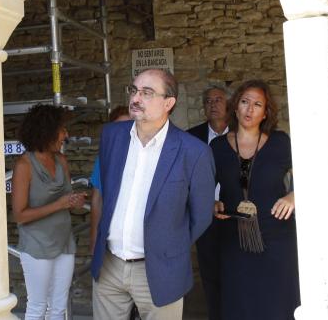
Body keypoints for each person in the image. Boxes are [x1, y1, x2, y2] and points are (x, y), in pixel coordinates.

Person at [91, 69, 215, 319]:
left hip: (160, 269)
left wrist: (168, 247)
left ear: (169, 102)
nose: (136, 98)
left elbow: (201, 216)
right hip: (110, 266)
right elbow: (106, 193)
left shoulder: (194, 151)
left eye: (147, 93)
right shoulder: (112, 136)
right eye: (134, 90)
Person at [211, 80, 299, 319]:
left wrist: (294, 196)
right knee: (239, 301)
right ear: (235, 107)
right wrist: (212, 202)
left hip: (276, 236)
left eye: (257, 104)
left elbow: (311, 174)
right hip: (233, 236)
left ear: (265, 112)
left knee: (277, 301)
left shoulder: (281, 142)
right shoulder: (218, 146)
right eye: (244, 102)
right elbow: (203, 185)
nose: (249, 109)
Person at [12, 104, 86, 320]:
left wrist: (76, 201)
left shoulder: (61, 160)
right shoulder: (24, 165)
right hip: (37, 246)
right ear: (47, 130)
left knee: (59, 307)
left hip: (64, 242)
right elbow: (19, 215)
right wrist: (60, 204)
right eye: (62, 129)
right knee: (37, 307)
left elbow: (66, 199)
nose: (66, 135)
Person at [188, 85, 229, 320]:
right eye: (208, 101)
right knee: (210, 274)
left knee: (237, 272)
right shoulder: (192, 136)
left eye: (218, 100)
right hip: (205, 217)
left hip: (236, 214)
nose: (213, 104)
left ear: (228, 104)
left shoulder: (241, 133)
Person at [89, 106, 132, 253]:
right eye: (119, 127)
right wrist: (94, 239)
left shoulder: (148, 155)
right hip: (112, 237)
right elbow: (97, 200)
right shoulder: (104, 157)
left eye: (129, 125)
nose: (125, 131)